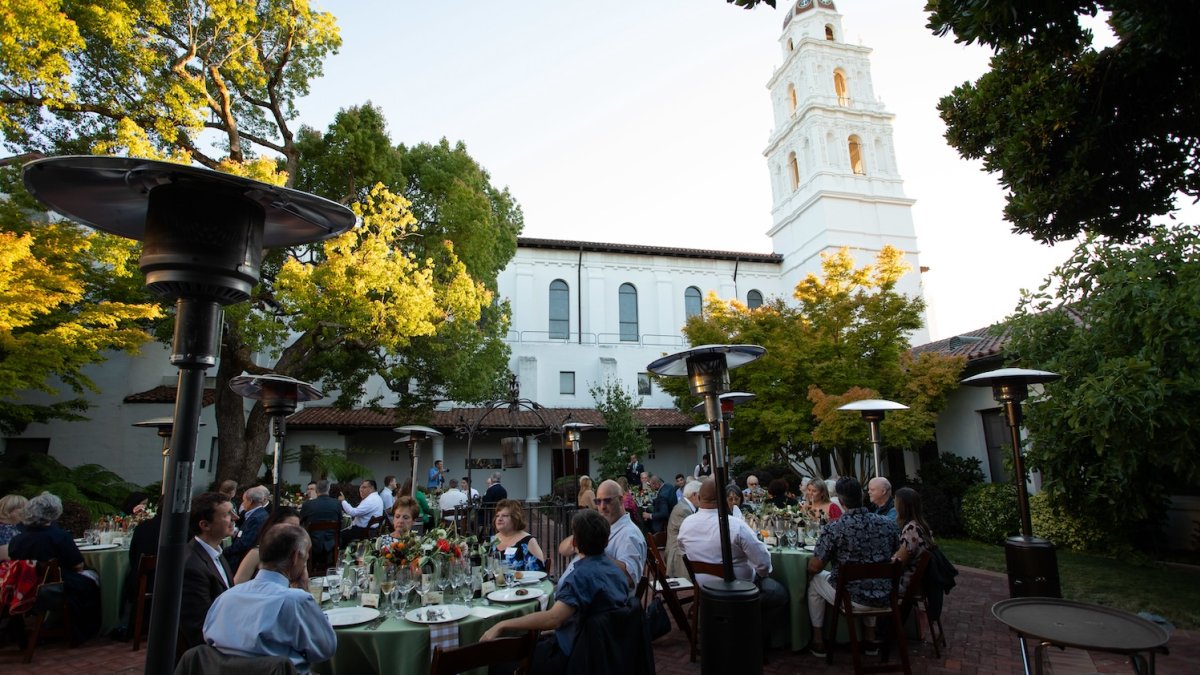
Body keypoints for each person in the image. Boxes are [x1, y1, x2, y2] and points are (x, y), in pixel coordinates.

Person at [482, 509, 633, 673]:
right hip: (610, 652)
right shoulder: (616, 572)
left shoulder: (580, 578)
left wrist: (502, 625)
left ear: (574, 543)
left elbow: (553, 619)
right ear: (606, 542)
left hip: (575, 656)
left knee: (497, 665)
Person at [203, 524, 336, 672]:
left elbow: (208, 641)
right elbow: (326, 649)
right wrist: (304, 589)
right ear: (296, 557)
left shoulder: (225, 598)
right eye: (306, 556)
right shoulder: (296, 601)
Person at [678, 479, 788, 648]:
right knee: (779, 594)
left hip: (705, 589)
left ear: (699, 498)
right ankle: (756, 639)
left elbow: (684, 551)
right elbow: (763, 562)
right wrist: (759, 575)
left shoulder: (686, 524)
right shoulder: (734, 525)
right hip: (739, 590)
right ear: (723, 499)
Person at [806, 476, 900, 657]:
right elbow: (897, 554)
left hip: (852, 597)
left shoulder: (834, 528)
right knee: (873, 574)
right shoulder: (887, 524)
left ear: (840, 501)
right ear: (863, 496)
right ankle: (870, 639)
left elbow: (815, 566)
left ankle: (818, 640)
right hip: (885, 594)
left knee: (814, 581)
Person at [7, 492, 101, 642]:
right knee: (92, 580)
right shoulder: (59, 536)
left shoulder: (17, 539)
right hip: (53, 586)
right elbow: (77, 566)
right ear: (54, 512)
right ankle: (86, 629)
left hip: (23, 588)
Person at [557, 479, 646, 595]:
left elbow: (628, 579)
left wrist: (593, 552)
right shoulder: (599, 527)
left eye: (607, 501)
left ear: (620, 500)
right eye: (598, 501)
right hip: (575, 595)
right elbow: (562, 550)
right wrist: (579, 539)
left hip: (599, 606)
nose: (602, 506)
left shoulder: (629, 534)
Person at [181, 491, 238, 649]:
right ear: (205, 525)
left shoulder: (216, 553)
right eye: (227, 514)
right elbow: (198, 626)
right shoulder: (192, 566)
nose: (235, 518)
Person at [233, 506, 301, 585]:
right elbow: (237, 584)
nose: (293, 532)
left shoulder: (296, 553)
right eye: (288, 527)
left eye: (296, 528)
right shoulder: (257, 553)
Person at [892, 487, 934, 597]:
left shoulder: (912, 530)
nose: (894, 506)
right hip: (917, 581)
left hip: (905, 584)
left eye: (895, 502)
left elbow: (897, 564)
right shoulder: (922, 527)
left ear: (902, 507)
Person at [489, 499, 546, 572]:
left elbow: (539, 573)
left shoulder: (528, 541)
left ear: (515, 518)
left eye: (504, 516)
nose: (499, 519)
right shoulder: (493, 540)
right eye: (497, 516)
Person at [225, 485, 269, 570]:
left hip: (241, 562)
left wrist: (225, 551)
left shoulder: (256, 518)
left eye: (244, 500)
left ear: (250, 501)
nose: (242, 504)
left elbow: (245, 543)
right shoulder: (260, 514)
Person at [299, 479, 341, 566]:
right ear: (328, 489)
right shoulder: (336, 503)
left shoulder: (308, 504)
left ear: (316, 490)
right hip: (331, 541)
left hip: (312, 541)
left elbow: (300, 521)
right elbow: (340, 522)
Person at [665, 480, 701, 578]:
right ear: (694, 495)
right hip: (677, 553)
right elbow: (692, 535)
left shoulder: (685, 506)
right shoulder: (683, 509)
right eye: (701, 495)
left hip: (681, 548)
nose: (703, 499)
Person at [338, 479, 383, 544]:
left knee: (339, 535)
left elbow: (353, 512)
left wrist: (343, 501)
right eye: (361, 487)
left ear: (371, 488)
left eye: (364, 487)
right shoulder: (377, 497)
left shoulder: (371, 500)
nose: (361, 489)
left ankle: (340, 553)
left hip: (363, 531)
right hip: (371, 530)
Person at [0, 493, 29, 561]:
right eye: (22, 508)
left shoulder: (12, 528)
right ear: (8, 510)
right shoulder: (6, 531)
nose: (26, 511)